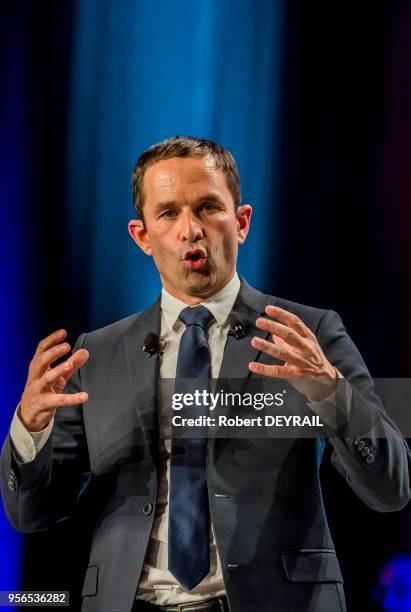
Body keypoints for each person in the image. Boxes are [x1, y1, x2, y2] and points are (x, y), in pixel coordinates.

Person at [1, 136, 410, 612]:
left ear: (241, 222)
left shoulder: (309, 333)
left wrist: (329, 390)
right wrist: (29, 429)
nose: (190, 230)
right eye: (168, 213)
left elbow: (392, 487)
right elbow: (30, 514)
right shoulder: (97, 354)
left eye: (208, 207)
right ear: (142, 236)